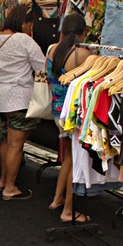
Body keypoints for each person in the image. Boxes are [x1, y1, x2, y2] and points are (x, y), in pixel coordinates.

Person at [0, 5, 46, 200]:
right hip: (17, 99)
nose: (30, 28)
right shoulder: (24, 40)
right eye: (30, 24)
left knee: (5, 140)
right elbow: (41, 67)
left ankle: (2, 180)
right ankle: (10, 187)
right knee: (16, 145)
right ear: (25, 22)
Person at [47, 13, 91, 223]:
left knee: (68, 159)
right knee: (75, 161)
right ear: (83, 33)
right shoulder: (82, 55)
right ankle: (68, 210)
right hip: (73, 113)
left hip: (57, 111)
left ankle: (57, 199)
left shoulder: (52, 49)